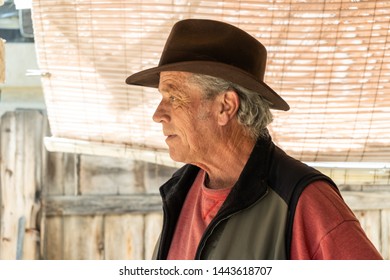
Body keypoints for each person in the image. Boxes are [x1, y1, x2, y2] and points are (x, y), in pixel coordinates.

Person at [126, 19, 383, 260]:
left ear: (225, 106)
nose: (157, 115)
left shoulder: (304, 200)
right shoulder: (180, 189)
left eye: (173, 98)